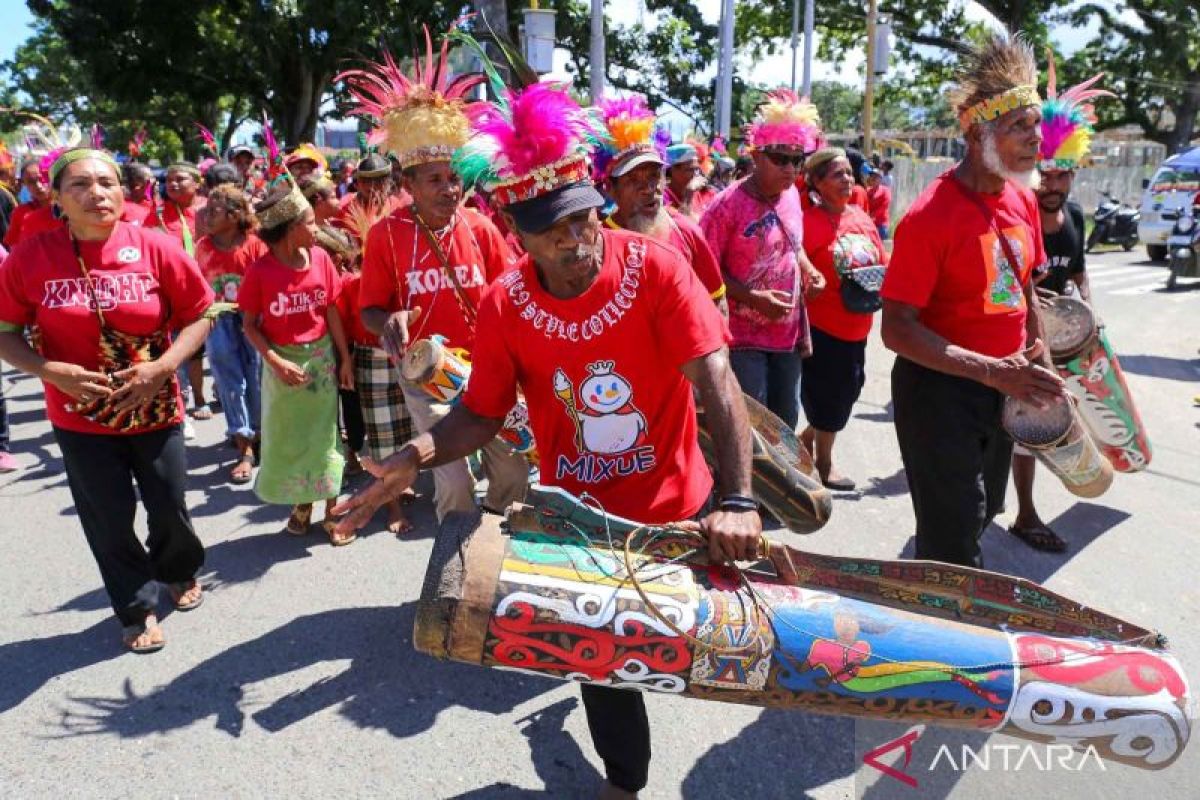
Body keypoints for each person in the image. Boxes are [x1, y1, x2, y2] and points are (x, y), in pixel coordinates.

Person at [334, 79, 761, 800]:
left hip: (679, 507)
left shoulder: (655, 268)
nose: (575, 240)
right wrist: (412, 458)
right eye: (552, 230)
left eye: (583, 220)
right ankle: (625, 785)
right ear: (517, 231)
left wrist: (741, 499)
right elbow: (480, 414)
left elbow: (715, 377)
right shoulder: (507, 304)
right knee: (603, 664)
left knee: (698, 654)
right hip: (579, 524)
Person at [0, 147, 213, 653]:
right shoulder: (32, 256)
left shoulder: (155, 246)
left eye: (107, 182)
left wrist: (163, 368)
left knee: (169, 506)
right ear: (55, 197)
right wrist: (50, 371)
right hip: (79, 419)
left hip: (155, 408)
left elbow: (203, 314)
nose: (96, 193)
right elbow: (5, 331)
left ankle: (178, 569)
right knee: (108, 518)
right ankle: (136, 607)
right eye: (80, 185)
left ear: (123, 192)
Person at [880, 34, 1067, 569]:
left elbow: (1026, 287)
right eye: (1019, 128)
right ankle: (942, 633)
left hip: (1002, 388)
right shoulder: (929, 217)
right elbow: (897, 329)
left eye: (1037, 126)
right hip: (940, 392)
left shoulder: (1022, 199)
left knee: (986, 512)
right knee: (954, 537)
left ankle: (937, 582)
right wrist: (991, 371)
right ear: (979, 133)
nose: (1036, 140)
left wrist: (1043, 363)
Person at [342, 37, 528, 526]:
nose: (450, 189)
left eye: (454, 178)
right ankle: (455, 569)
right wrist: (391, 319)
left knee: (511, 470)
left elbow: (511, 293)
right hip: (427, 375)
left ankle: (500, 566)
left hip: (488, 371)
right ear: (408, 186)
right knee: (453, 480)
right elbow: (369, 310)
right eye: (435, 180)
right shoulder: (386, 235)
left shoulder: (481, 227)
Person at [1009, 58, 1111, 553]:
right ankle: (1023, 512)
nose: (1054, 186)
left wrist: (1088, 310)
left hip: (1065, 343)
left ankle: (1027, 506)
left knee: (1051, 426)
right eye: (1045, 174)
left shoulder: (1073, 214)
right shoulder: (1015, 212)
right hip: (1017, 347)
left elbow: (1078, 270)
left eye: (1063, 174)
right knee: (1027, 430)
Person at [239, 151, 355, 545]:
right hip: (281, 366)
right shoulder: (259, 274)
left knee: (326, 437)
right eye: (308, 223)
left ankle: (331, 512)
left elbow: (333, 311)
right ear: (290, 230)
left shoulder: (321, 259)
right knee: (290, 437)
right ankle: (300, 505)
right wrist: (274, 362)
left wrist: (344, 359)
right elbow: (250, 326)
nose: (316, 229)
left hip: (321, 362)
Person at [700, 89, 826, 430]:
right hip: (742, 340)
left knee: (784, 425)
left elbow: (793, 246)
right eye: (780, 158)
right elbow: (702, 272)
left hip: (786, 336)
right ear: (756, 156)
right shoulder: (724, 206)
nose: (790, 169)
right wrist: (754, 298)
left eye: (797, 160)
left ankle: (780, 487)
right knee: (750, 428)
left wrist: (810, 271)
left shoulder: (792, 199)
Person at [798, 149, 888, 491]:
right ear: (817, 183)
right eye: (837, 174)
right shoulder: (808, 222)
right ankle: (825, 462)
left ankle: (808, 438)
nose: (847, 180)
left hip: (859, 324)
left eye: (849, 173)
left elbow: (880, 259)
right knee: (830, 395)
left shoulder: (861, 218)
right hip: (823, 325)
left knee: (851, 389)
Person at [594, 94, 727, 311]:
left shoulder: (685, 231)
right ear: (610, 188)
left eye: (655, 175)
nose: (649, 188)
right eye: (633, 179)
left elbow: (716, 303)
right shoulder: (599, 242)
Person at [195, 184, 269, 484]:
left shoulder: (254, 245)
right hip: (220, 319)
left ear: (235, 215)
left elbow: (264, 285)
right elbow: (199, 285)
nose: (206, 215)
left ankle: (261, 433)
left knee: (257, 378)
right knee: (229, 381)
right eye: (206, 210)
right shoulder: (203, 247)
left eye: (214, 211)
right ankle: (245, 445)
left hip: (252, 319)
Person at [155, 162, 211, 423]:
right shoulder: (156, 214)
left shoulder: (210, 209)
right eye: (169, 180)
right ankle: (184, 400)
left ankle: (202, 396)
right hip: (176, 291)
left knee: (208, 350)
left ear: (197, 182)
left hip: (214, 288)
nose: (173, 184)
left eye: (180, 179)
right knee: (183, 346)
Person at [3, 158, 63, 249]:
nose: (38, 186)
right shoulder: (21, 213)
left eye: (41, 179)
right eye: (31, 182)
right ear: (24, 184)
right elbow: (14, 247)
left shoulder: (66, 207)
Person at [663, 143, 715, 220]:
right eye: (690, 170)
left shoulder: (704, 193)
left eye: (696, 169)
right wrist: (688, 195)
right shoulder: (663, 198)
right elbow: (682, 227)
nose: (696, 175)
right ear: (672, 170)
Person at [863, 164, 892, 239]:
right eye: (872, 176)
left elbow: (884, 205)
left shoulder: (885, 190)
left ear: (880, 179)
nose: (873, 178)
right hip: (868, 223)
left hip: (880, 225)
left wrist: (872, 216)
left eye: (876, 176)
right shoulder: (867, 190)